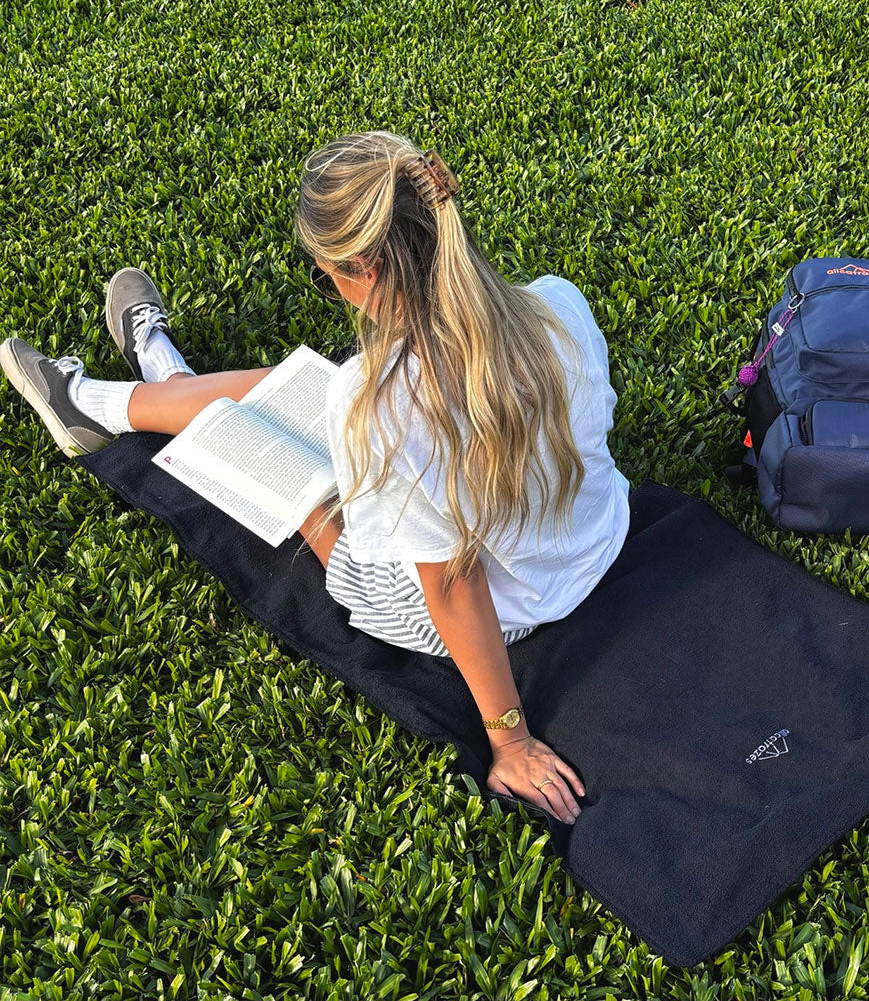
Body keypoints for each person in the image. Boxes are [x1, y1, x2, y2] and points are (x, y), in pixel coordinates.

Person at [0, 131, 632, 827]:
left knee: (293, 467)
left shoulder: (385, 403)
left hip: (498, 608)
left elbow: (454, 586)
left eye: (321, 272)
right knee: (320, 395)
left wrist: (508, 737)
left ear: (361, 266)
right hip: (595, 539)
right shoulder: (555, 304)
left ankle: (101, 400)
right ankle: (140, 387)